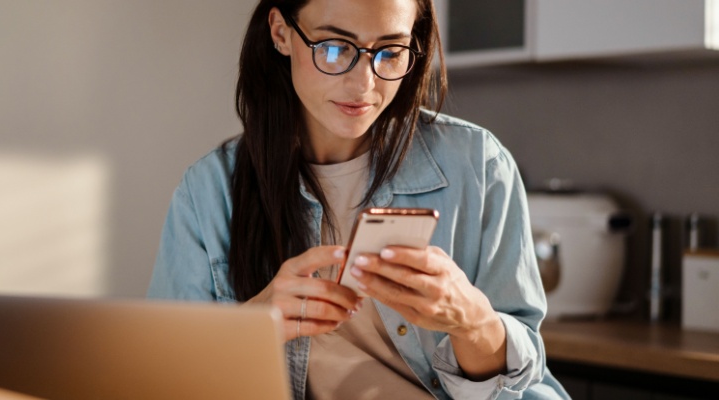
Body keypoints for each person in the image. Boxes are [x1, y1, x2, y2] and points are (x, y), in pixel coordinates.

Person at [148, 0, 570, 399]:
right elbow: (161, 379)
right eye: (334, 47)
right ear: (280, 32)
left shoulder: (478, 165)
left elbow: (518, 382)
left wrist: (472, 321)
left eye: (390, 52)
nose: (364, 84)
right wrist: (253, 325)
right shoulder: (209, 191)